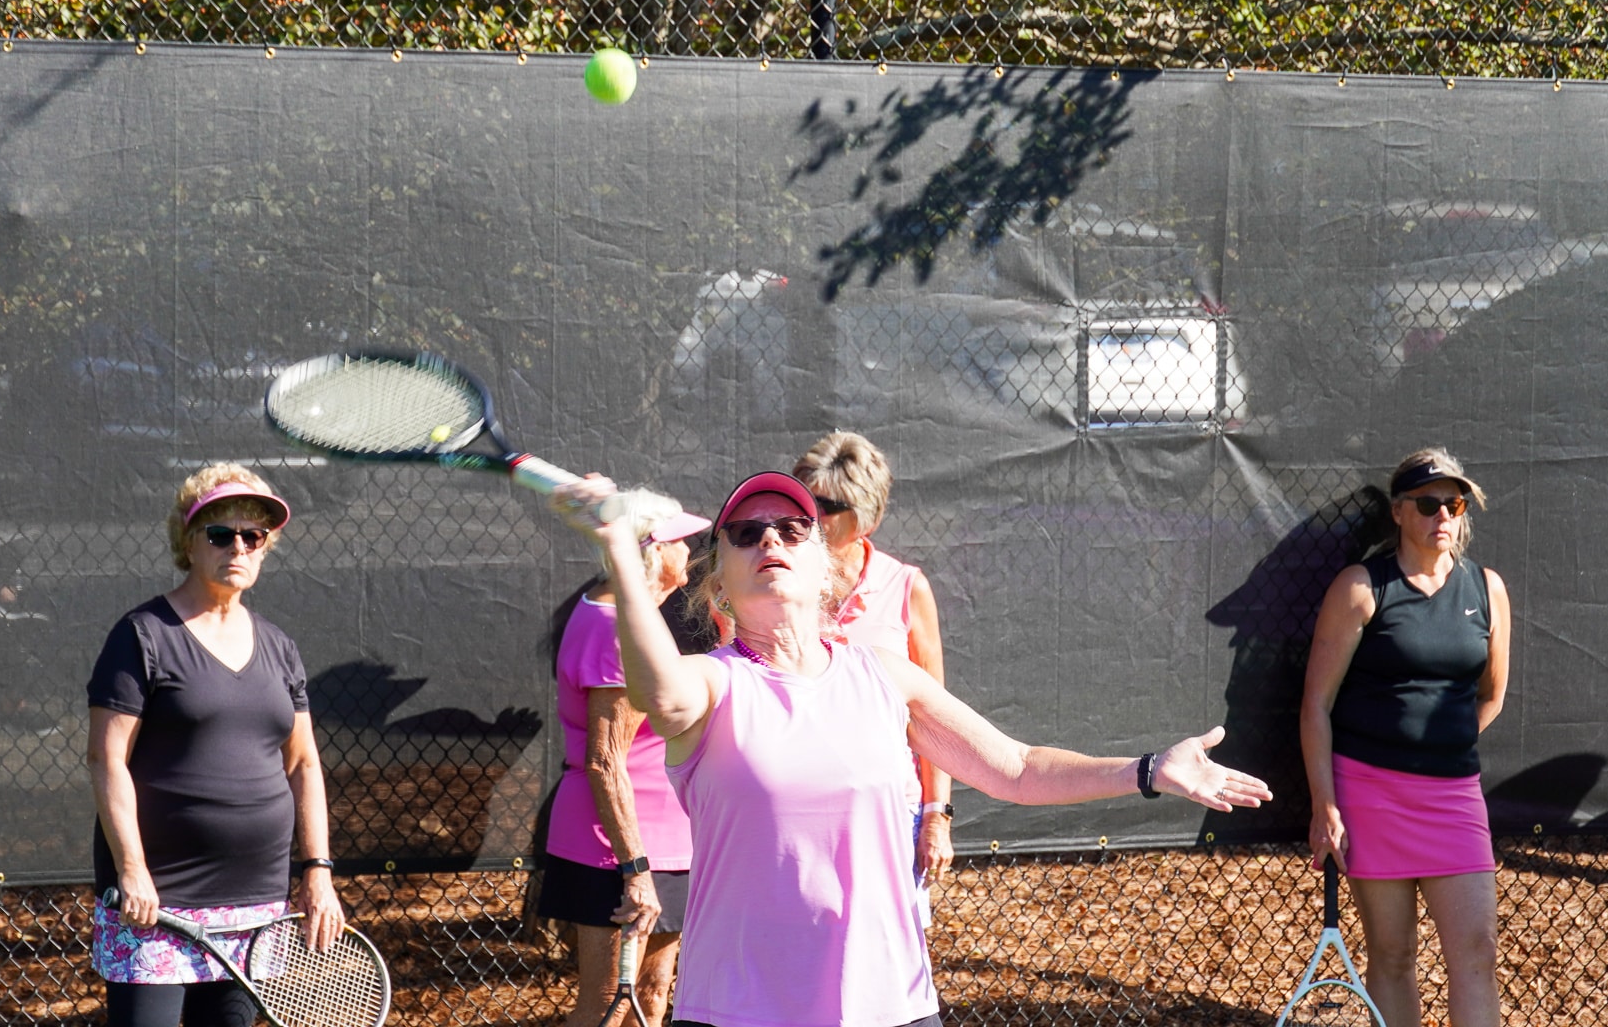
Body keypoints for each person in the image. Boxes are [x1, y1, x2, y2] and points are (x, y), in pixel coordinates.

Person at [550, 469, 1270, 1027]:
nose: (770, 540)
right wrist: (621, 554)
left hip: (890, 1003)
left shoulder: (883, 676)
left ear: (824, 567)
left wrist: (1149, 769)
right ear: (720, 589)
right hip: (741, 1007)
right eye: (745, 533)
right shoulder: (712, 684)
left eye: (792, 529)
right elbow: (659, 691)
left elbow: (1017, 769)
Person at [86, 465, 344, 1027]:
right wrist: (132, 869)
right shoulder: (142, 636)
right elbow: (106, 759)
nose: (238, 547)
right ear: (188, 541)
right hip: (155, 905)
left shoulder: (279, 647)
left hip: (255, 904)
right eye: (221, 533)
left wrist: (317, 871)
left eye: (253, 536)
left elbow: (303, 764)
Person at [1301, 447, 1511, 1027]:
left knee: (1477, 954)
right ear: (1398, 511)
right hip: (1370, 797)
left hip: (1455, 800)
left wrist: (1438, 748)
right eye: (1427, 503)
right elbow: (1316, 706)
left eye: (1454, 504)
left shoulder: (1487, 588)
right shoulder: (1360, 587)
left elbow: (1492, 695)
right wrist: (1325, 804)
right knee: (1393, 958)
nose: (1443, 515)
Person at [540, 490, 712, 1027]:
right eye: (678, 541)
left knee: (653, 996)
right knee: (605, 1009)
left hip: (669, 842)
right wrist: (634, 869)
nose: (689, 550)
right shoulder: (610, 628)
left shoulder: (638, 620)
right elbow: (604, 761)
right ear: (653, 552)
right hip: (615, 850)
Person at [792, 432, 954, 891]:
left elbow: (933, 714)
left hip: (889, 811)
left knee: (891, 936)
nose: (808, 517)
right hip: (795, 810)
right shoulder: (776, 582)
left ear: (866, 516)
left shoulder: (906, 587)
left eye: (825, 506)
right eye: (802, 501)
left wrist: (936, 817)